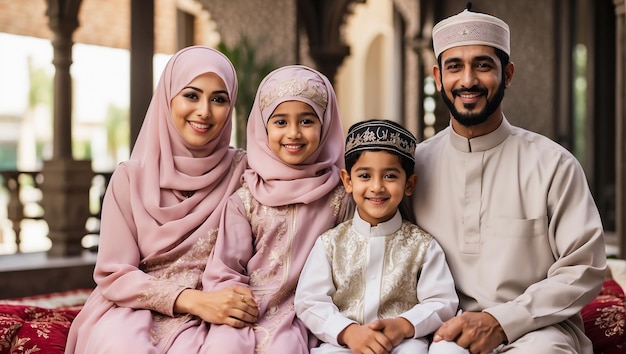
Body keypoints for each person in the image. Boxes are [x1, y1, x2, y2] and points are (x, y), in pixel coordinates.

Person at [413, 5, 607, 354]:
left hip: (535, 331)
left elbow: (584, 267)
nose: (468, 80)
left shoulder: (552, 164)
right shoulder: (415, 167)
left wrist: (502, 321)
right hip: (438, 332)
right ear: (438, 77)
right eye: (455, 66)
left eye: (483, 65)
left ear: (508, 75)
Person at [65, 46, 256, 353]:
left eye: (218, 99)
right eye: (191, 95)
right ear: (168, 99)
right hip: (134, 308)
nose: (204, 111)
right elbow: (114, 275)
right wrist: (193, 300)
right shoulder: (130, 178)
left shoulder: (245, 172)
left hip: (219, 307)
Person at [200, 65, 352, 354]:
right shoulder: (246, 198)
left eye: (307, 121)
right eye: (280, 122)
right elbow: (225, 268)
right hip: (245, 309)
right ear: (263, 127)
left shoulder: (341, 195)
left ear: (326, 124)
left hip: (308, 311)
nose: (293, 133)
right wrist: (236, 303)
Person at [295, 119, 464, 354]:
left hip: (404, 343)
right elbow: (309, 300)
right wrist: (348, 332)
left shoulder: (423, 245)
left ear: (409, 184)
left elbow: (442, 300)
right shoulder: (330, 244)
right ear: (348, 181)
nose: (377, 187)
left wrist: (403, 326)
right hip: (344, 344)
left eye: (390, 176)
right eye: (365, 176)